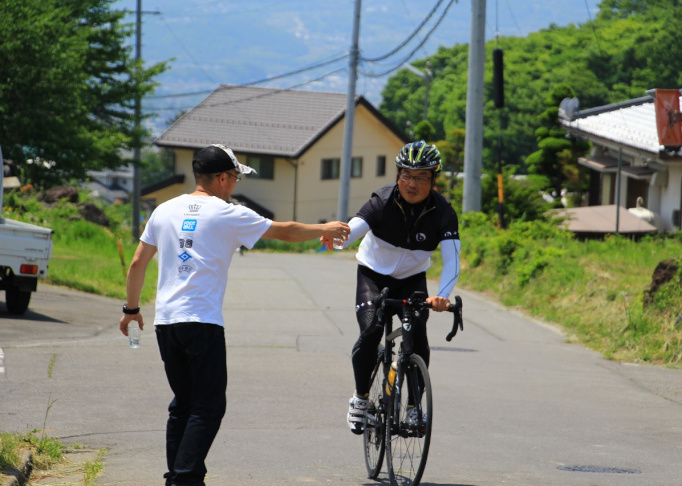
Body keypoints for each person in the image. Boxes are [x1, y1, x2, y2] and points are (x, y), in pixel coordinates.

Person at [119, 144, 350, 486]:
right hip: (203, 322)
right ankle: (184, 479)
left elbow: (138, 261)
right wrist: (323, 229)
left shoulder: (163, 210)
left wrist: (131, 310)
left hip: (166, 322)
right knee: (208, 405)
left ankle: (181, 476)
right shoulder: (227, 213)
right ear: (222, 178)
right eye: (235, 178)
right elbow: (284, 230)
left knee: (183, 404)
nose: (236, 186)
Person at [321, 140, 461, 435]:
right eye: (406, 175)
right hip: (373, 275)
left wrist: (442, 297)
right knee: (372, 330)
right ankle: (360, 398)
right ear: (397, 176)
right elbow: (355, 228)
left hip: (412, 280)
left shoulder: (443, 212)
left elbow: (452, 261)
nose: (412, 183)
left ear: (433, 179)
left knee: (418, 333)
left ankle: (413, 407)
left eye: (421, 176)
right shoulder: (382, 201)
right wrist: (337, 239)